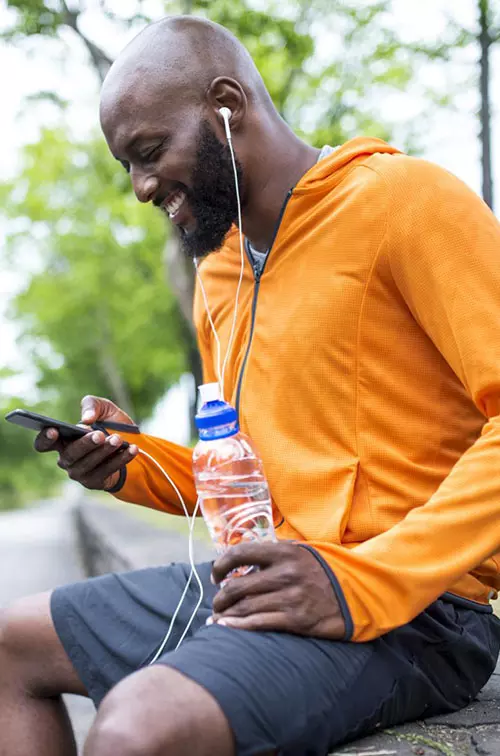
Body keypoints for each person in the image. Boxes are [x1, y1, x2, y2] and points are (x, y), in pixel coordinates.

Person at [1, 14, 500, 756]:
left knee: (138, 728)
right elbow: (251, 476)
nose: (140, 189)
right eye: (127, 167)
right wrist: (133, 463)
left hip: (423, 609)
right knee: (11, 644)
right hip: (278, 578)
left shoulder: (403, 201)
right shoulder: (222, 273)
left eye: (148, 152)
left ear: (227, 104)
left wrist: (362, 582)